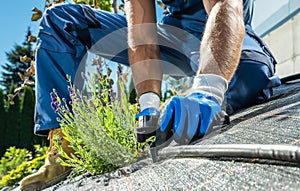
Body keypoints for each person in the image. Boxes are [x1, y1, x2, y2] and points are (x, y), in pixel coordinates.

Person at [19, 0, 281, 190]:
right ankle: (67, 148)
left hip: (224, 30)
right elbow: (142, 37)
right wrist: (148, 105)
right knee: (61, 20)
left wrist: (209, 89)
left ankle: (212, 91)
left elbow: (226, 6)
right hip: (176, 39)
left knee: (248, 79)